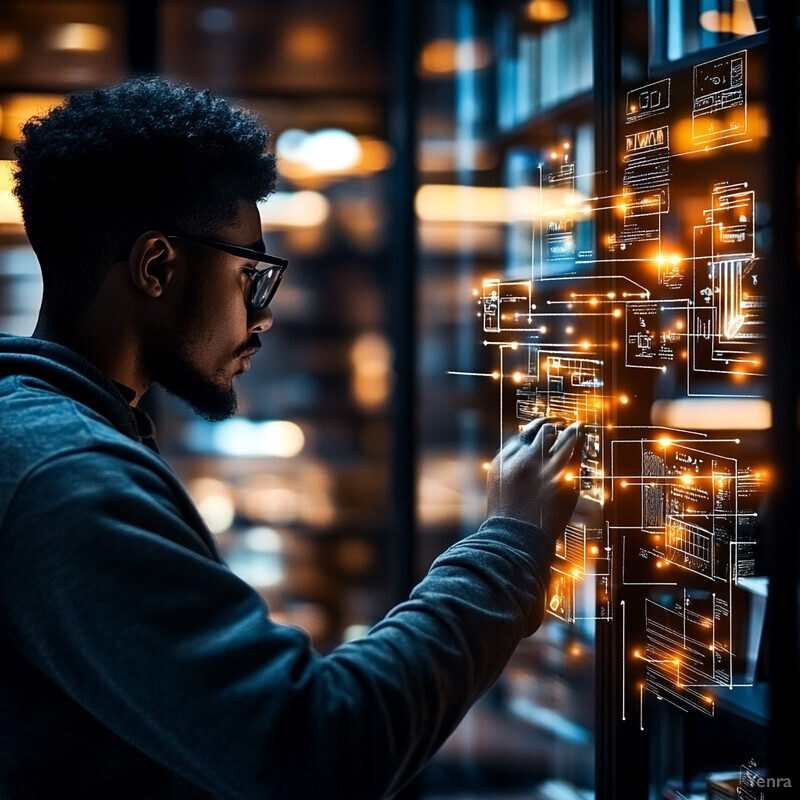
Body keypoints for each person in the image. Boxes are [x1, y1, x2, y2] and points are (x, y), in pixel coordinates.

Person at [0, 77, 583, 799]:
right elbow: (316, 750)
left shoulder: (42, 432)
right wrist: (511, 540)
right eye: (252, 276)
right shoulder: (64, 476)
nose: (263, 315)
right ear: (157, 267)